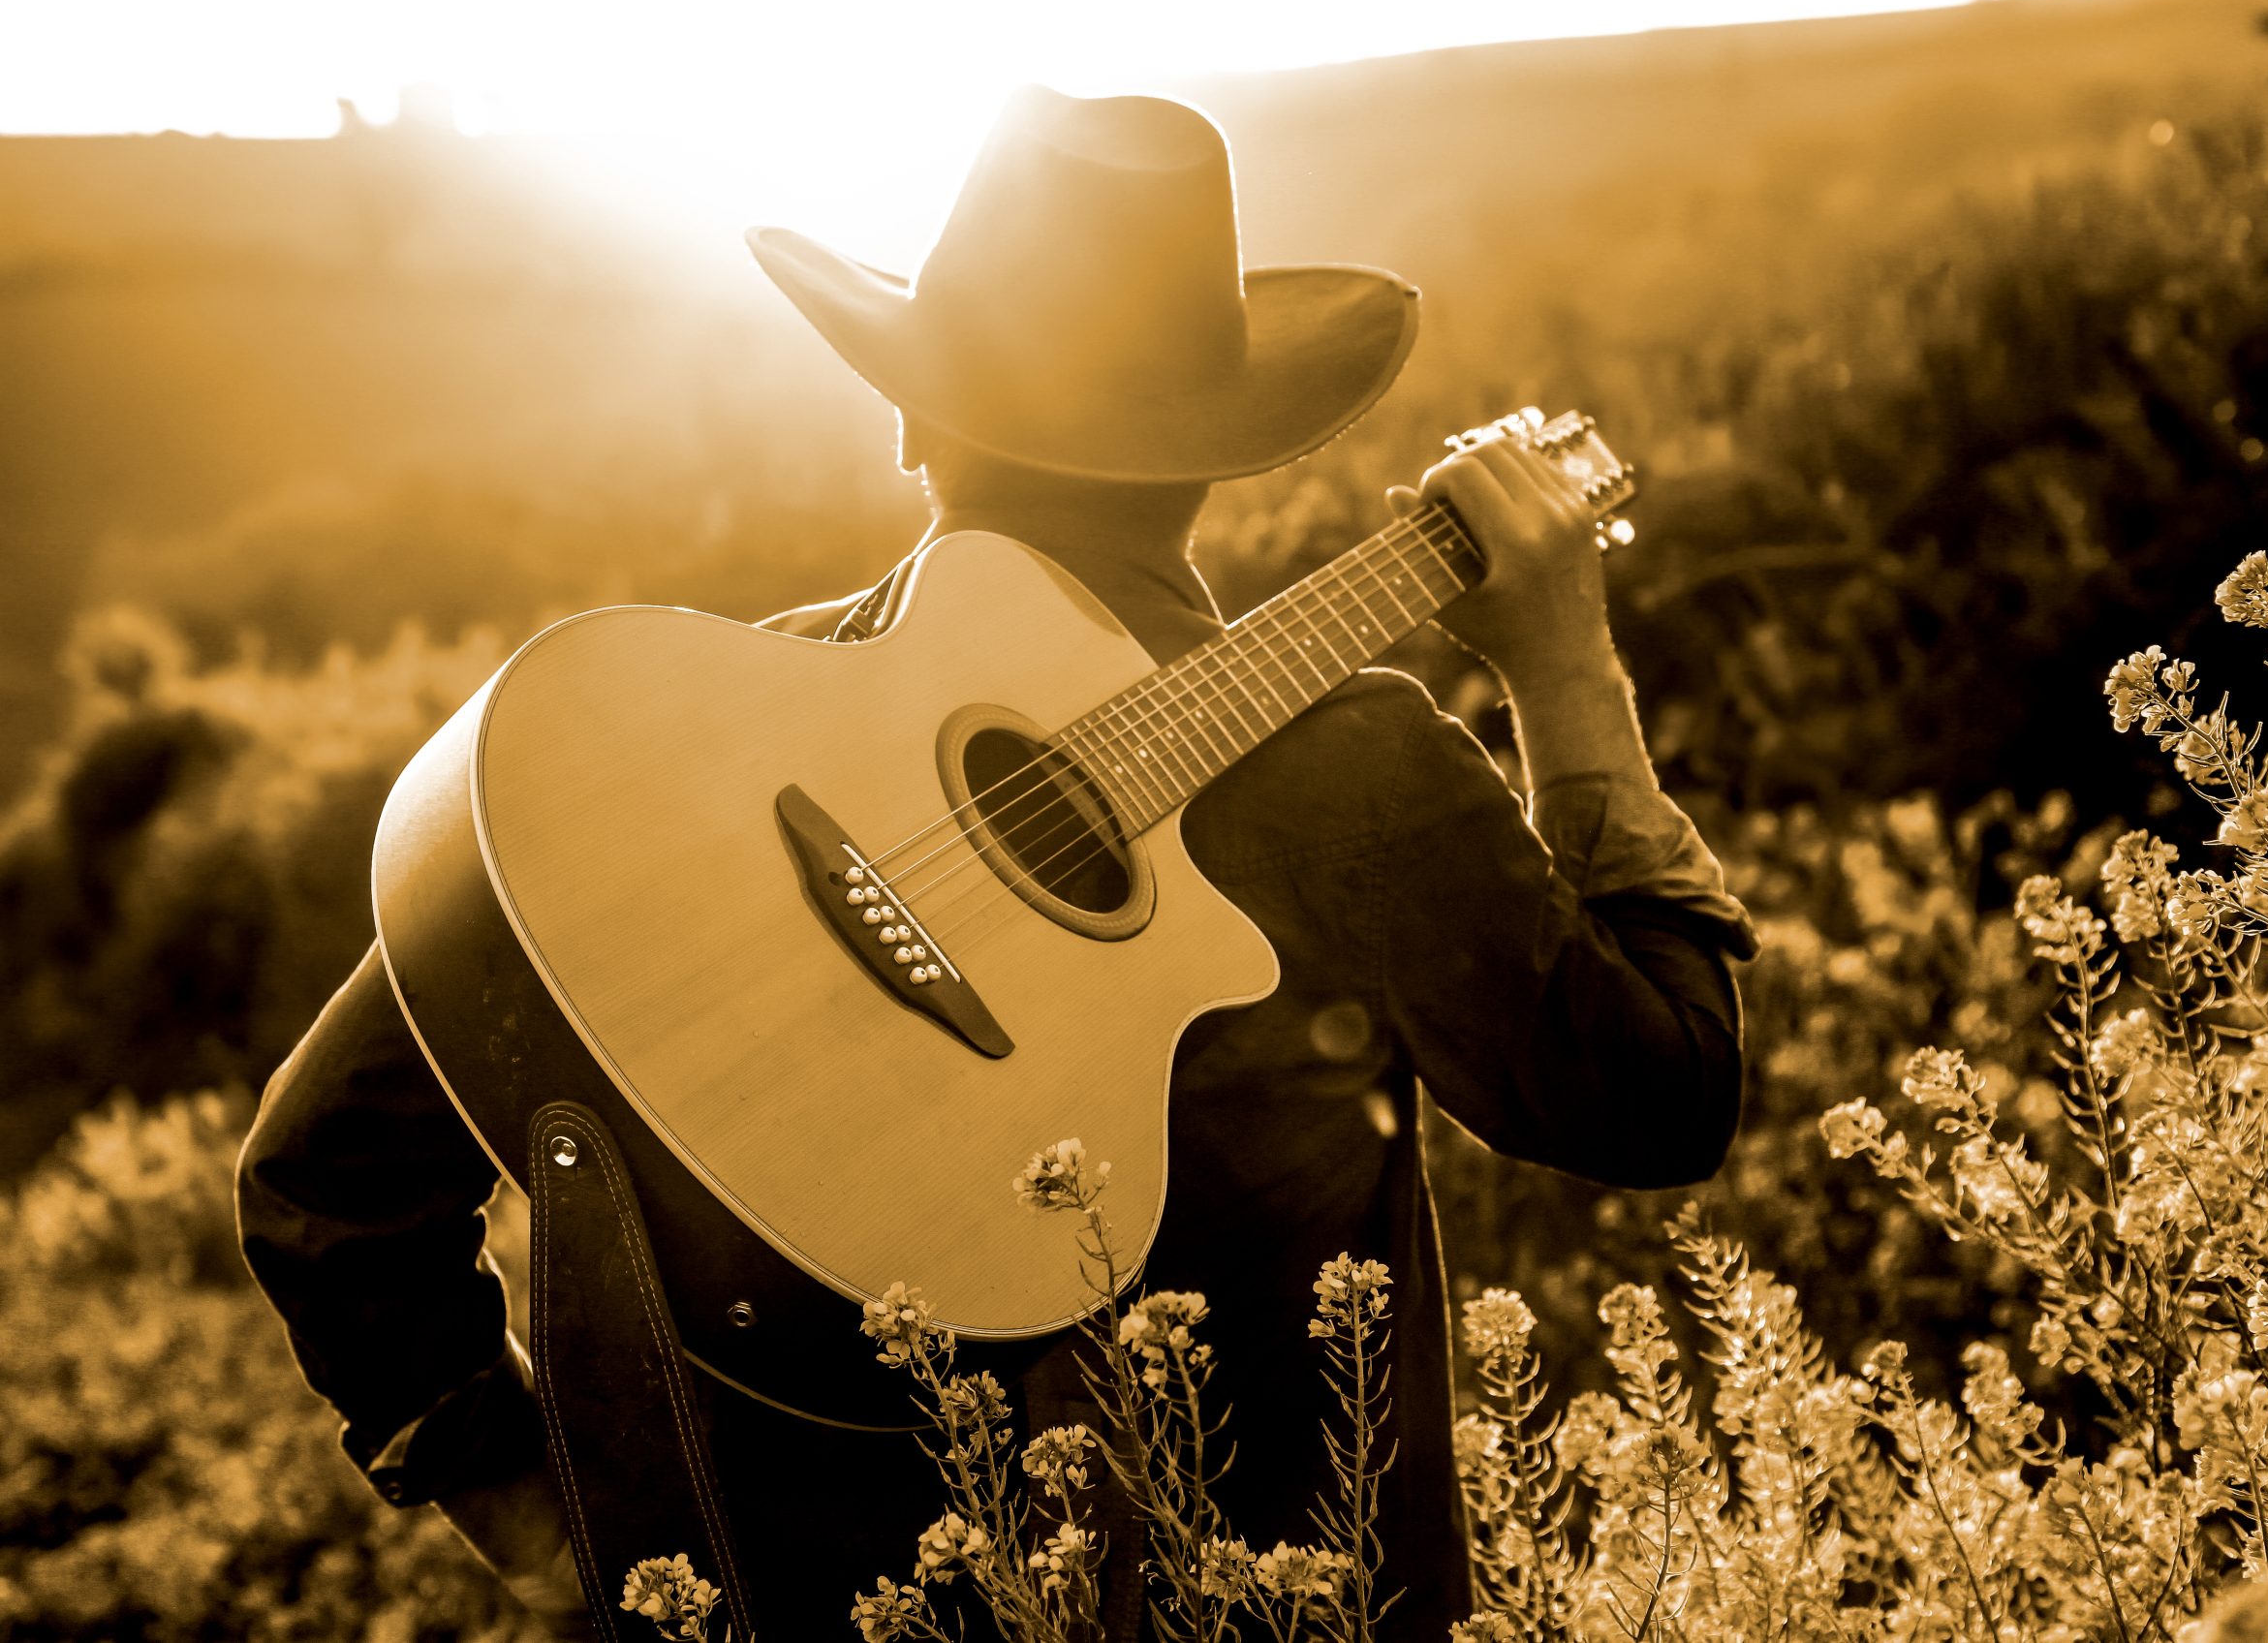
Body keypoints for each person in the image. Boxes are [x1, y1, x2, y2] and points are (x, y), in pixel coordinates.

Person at [236, 85, 1756, 1639]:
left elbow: (319, 1179)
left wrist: (562, 1531)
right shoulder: (1350, 770)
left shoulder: (691, 747)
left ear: (907, 418)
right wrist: (1563, 666)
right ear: (1219, 453)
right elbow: (1662, 1094)